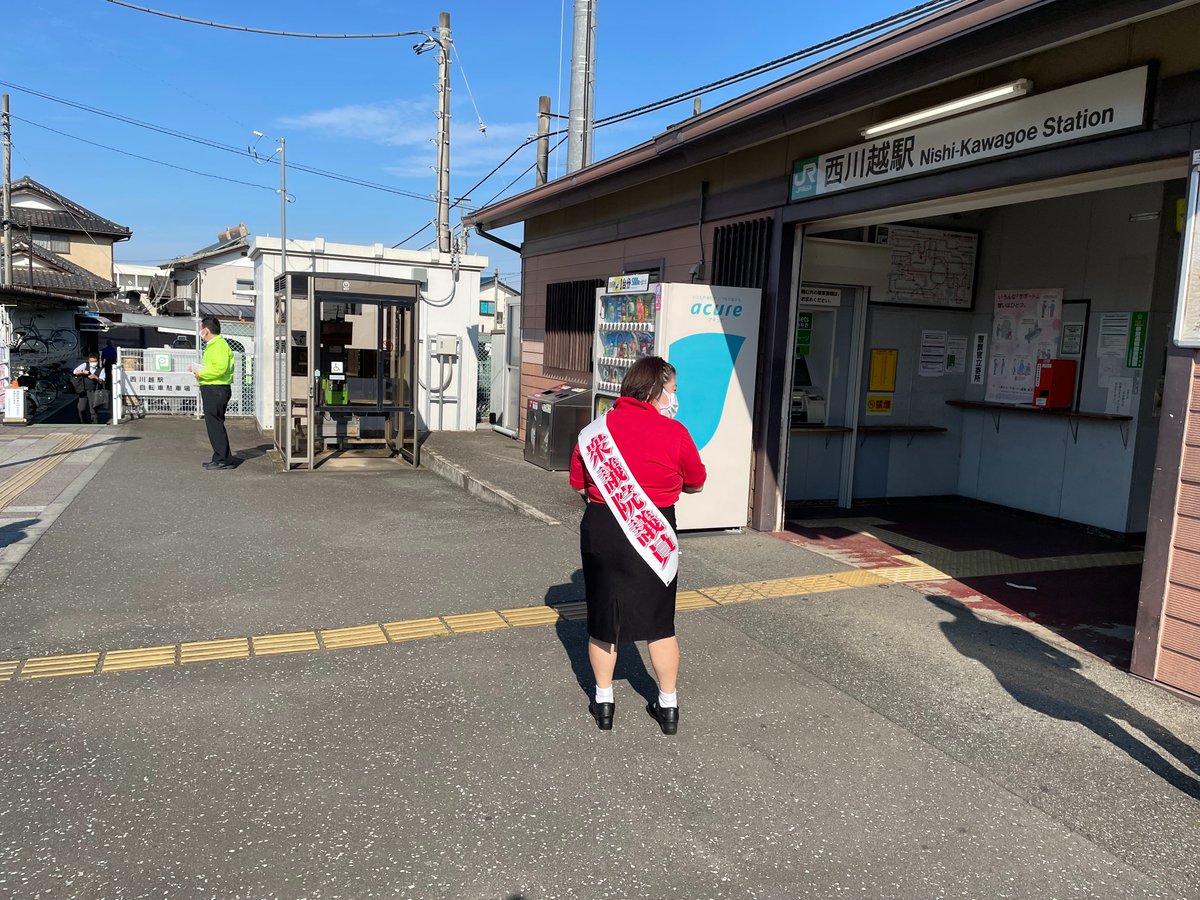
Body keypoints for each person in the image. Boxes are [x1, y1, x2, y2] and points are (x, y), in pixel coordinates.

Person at [568, 356, 706, 735]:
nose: (675, 398)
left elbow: (578, 482)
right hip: (656, 529)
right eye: (673, 390)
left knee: (603, 621)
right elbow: (696, 481)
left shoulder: (594, 432)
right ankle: (668, 706)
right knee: (660, 622)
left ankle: (604, 701)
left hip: (603, 529)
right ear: (654, 389)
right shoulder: (674, 433)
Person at [188, 316, 236, 470]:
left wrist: (201, 374)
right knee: (215, 424)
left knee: (214, 424)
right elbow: (217, 368)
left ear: (206, 330)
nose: (200, 331)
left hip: (215, 388)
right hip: (215, 388)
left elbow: (219, 369)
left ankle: (223, 459)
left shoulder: (218, 345)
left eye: (201, 328)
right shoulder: (215, 345)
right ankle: (221, 457)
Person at [72, 354, 107, 424]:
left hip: (94, 391)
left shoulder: (101, 369)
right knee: (81, 408)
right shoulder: (85, 365)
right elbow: (74, 371)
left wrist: (95, 377)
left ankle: (94, 423)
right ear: (88, 360)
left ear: (97, 361)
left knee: (93, 409)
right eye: (91, 361)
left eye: (95, 361)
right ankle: (83, 422)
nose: (93, 363)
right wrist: (82, 371)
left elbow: (102, 381)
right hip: (83, 390)